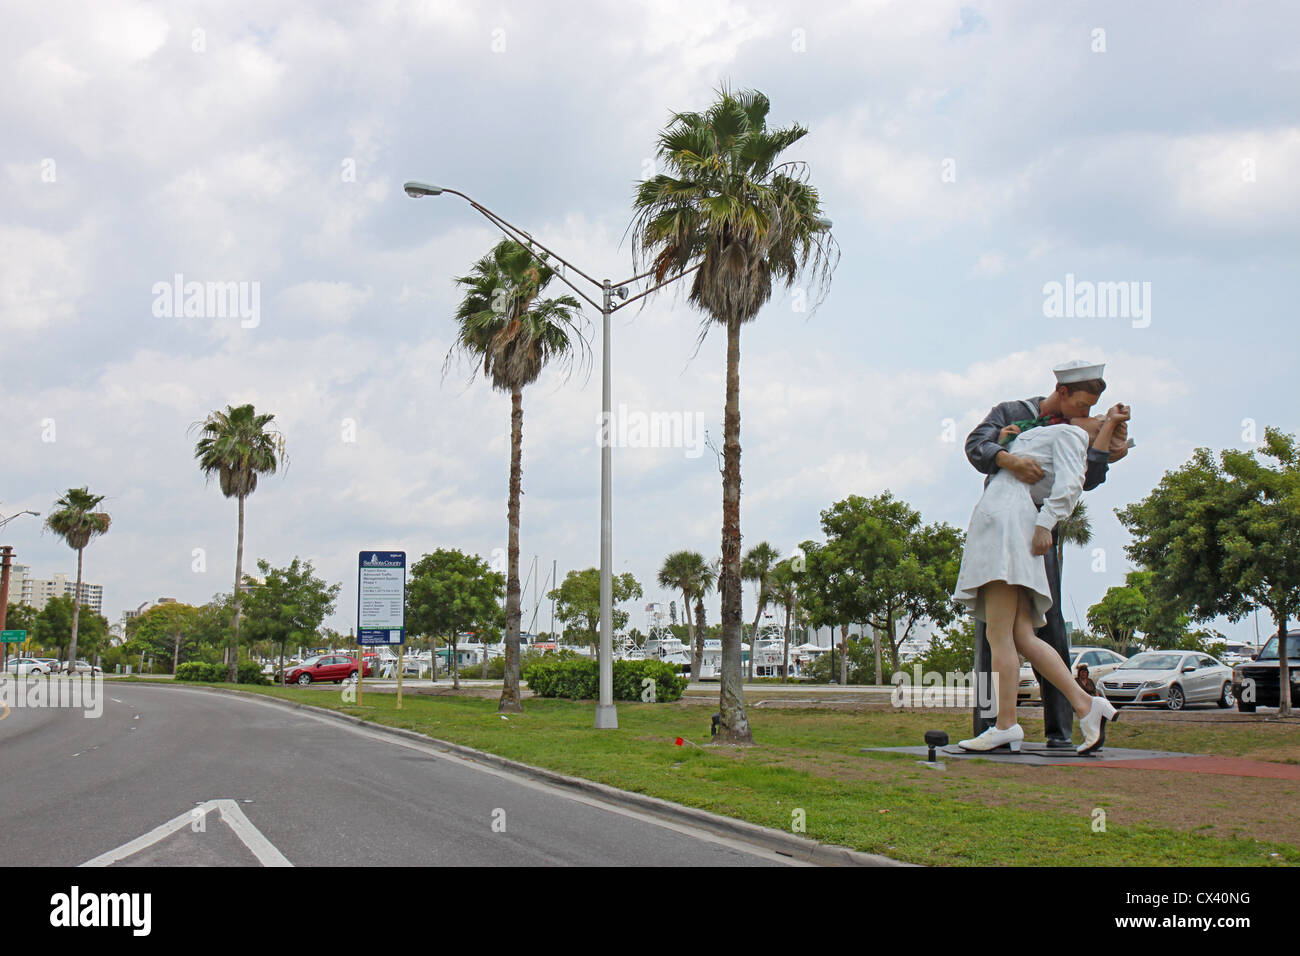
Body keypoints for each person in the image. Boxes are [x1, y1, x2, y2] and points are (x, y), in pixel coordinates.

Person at [965, 360, 1131, 749]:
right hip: (1018, 526)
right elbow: (977, 445)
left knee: (1017, 632)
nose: (1086, 416)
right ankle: (1080, 704)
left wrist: (1107, 434)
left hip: (1017, 529)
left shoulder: (1070, 434)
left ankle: (1025, 726)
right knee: (1018, 634)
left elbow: (1083, 479)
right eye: (1084, 408)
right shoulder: (1017, 417)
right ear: (1063, 393)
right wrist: (1008, 454)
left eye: (1093, 414)